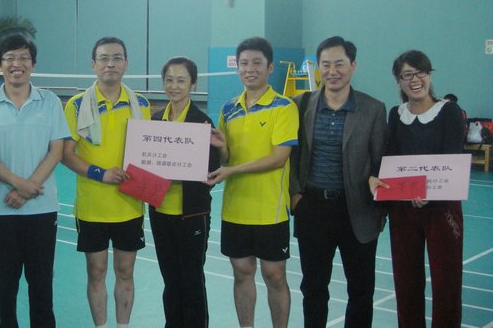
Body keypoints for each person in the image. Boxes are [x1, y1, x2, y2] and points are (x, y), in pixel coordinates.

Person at [0, 34, 70, 328]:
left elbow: (57, 151)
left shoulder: (49, 102)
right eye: (10, 58)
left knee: (41, 287)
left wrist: (27, 190)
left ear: (33, 64)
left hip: (42, 209)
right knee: (5, 288)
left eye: (24, 57)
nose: (17, 64)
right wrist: (19, 183)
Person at [289, 36, 387, 328]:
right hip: (313, 209)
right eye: (326, 64)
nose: (332, 71)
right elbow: (291, 157)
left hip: (357, 210)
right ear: (318, 67)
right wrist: (296, 196)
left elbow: (381, 162)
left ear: (353, 66)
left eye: (339, 64)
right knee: (313, 289)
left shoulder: (373, 109)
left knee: (361, 290)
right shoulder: (300, 104)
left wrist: (378, 199)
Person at [207, 36, 298, 328]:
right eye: (244, 63)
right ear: (237, 68)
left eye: (257, 62)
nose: (250, 69)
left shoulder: (284, 107)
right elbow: (227, 158)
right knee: (242, 273)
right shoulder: (228, 109)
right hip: (236, 209)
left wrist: (231, 170)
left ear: (270, 67)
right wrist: (222, 147)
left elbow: (279, 158)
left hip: (270, 209)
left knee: (275, 275)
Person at [369, 50, 465, 327]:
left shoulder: (449, 111)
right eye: (407, 75)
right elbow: (390, 156)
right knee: (406, 281)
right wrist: (375, 177)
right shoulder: (396, 114)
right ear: (398, 81)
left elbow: (452, 158)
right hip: (403, 209)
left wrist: (430, 192)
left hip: (442, 209)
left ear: (429, 75)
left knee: (446, 281)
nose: (415, 80)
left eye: (420, 72)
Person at [62, 37, 151, 328]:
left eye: (116, 58)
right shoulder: (76, 105)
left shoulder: (142, 104)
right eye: (103, 58)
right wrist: (101, 174)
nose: (110, 64)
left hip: (129, 205)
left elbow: (150, 152)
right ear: (93, 64)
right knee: (96, 272)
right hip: (92, 208)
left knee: (126, 271)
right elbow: (66, 154)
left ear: (126, 63)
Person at [149, 57, 220, 328]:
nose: (174, 86)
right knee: (170, 279)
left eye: (181, 80)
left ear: (193, 84)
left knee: (191, 280)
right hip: (160, 213)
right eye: (169, 80)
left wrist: (181, 172)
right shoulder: (155, 121)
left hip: (192, 214)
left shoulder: (202, 123)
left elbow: (212, 172)